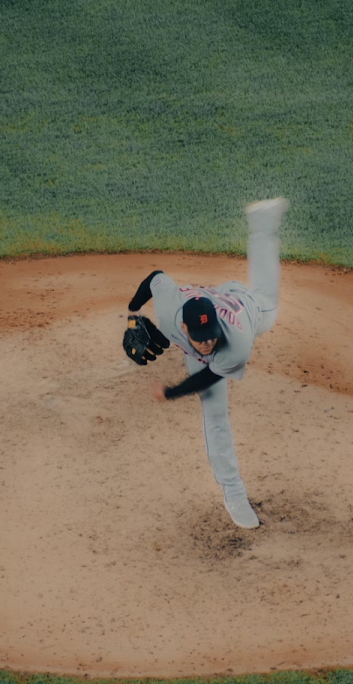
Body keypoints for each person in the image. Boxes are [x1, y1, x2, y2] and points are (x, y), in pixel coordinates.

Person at [123, 198, 288, 528]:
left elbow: (207, 378)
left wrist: (171, 392)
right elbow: (155, 277)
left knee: (268, 304)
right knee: (215, 417)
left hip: (246, 307)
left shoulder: (234, 344)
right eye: (202, 337)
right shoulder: (170, 312)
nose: (209, 342)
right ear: (184, 328)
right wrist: (133, 311)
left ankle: (263, 224)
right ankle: (233, 492)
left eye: (211, 336)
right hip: (208, 299)